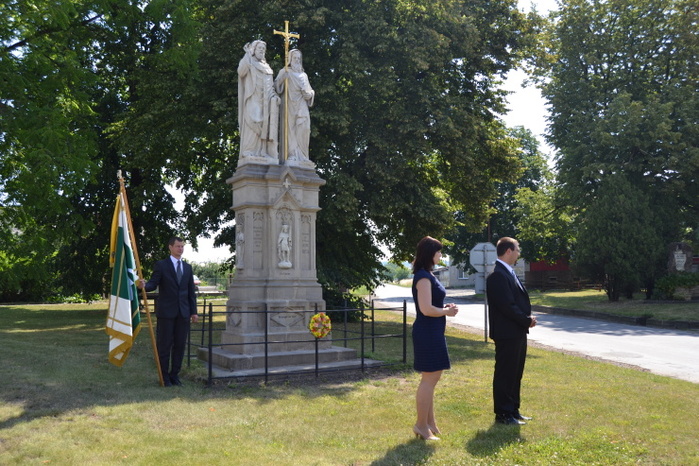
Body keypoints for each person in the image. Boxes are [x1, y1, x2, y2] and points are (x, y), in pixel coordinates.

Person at [411, 236, 459, 440]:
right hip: (427, 332)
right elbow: (426, 309)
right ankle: (421, 425)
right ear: (430, 253)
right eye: (438, 251)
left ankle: (430, 423)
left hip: (432, 331)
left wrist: (445, 307)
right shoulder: (423, 277)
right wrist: (447, 312)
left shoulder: (428, 274)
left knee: (431, 379)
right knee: (429, 380)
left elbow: (433, 305)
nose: (440, 255)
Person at [486, 237, 537, 425]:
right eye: (517, 249)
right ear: (508, 251)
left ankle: (513, 410)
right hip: (506, 333)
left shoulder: (509, 272)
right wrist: (526, 320)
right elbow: (507, 306)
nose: (519, 253)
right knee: (505, 373)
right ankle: (503, 414)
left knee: (516, 373)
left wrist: (525, 321)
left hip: (517, 332)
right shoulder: (498, 275)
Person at [138, 237, 199, 387]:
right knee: (164, 346)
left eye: (182, 246)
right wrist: (143, 286)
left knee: (180, 345)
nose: (180, 249)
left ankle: (175, 375)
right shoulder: (162, 265)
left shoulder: (187, 267)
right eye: (178, 246)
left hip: (183, 313)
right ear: (170, 247)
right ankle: (164, 376)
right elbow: (153, 283)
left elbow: (191, 292)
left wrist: (194, 312)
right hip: (166, 313)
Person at [238, 40, 280, 159]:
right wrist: (247, 55)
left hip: (265, 101)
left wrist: (274, 96)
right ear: (254, 50)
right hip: (253, 99)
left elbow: (270, 87)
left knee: (264, 125)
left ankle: (262, 151)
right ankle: (249, 150)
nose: (262, 50)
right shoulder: (248, 61)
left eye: (263, 49)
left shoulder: (267, 68)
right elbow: (241, 72)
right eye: (259, 48)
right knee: (253, 122)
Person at [274, 49, 315, 162]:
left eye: (299, 58)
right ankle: (292, 154)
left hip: (302, 103)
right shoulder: (285, 71)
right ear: (290, 59)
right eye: (295, 58)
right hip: (290, 104)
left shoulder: (304, 75)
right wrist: (282, 79)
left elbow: (310, 90)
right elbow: (275, 86)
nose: (297, 60)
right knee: (291, 129)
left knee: (305, 128)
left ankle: (303, 155)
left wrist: (309, 94)